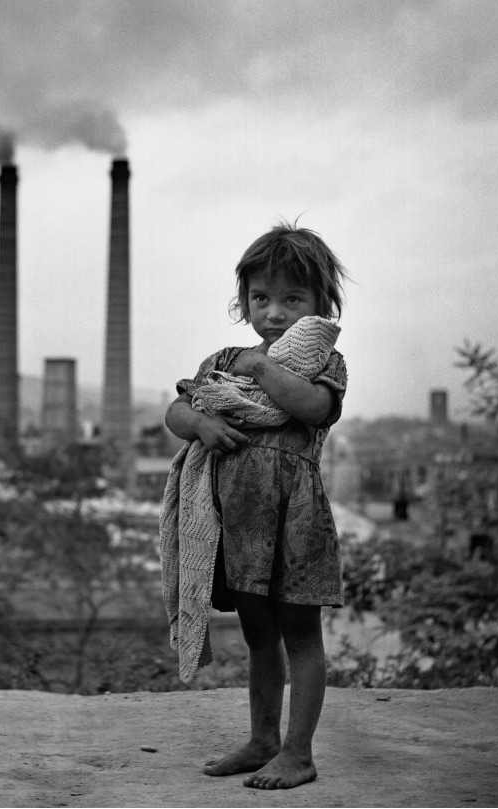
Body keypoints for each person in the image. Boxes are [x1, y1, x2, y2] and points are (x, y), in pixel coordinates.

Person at [159, 221, 348, 790]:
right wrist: (201, 423)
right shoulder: (223, 359)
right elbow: (176, 410)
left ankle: (298, 752)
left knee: (300, 634)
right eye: (261, 298)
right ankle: (262, 739)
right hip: (236, 525)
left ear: (320, 304)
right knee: (258, 634)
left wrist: (264, 368)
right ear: (243, 302)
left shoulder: (324, 364)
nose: (274, 312)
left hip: (294, 521)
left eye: (293, 299)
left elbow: (313, 409)